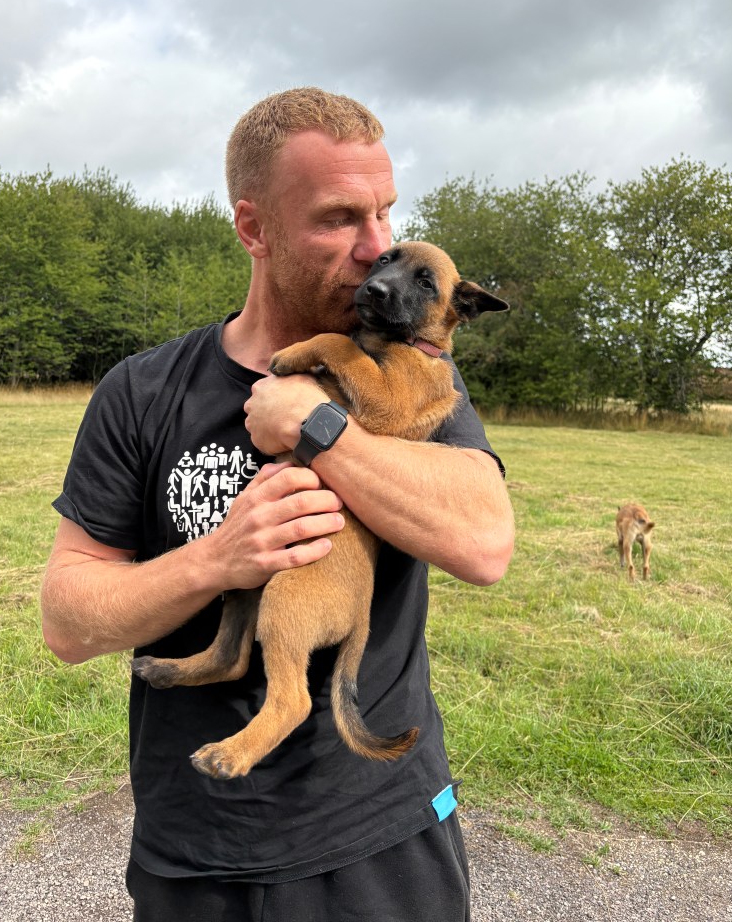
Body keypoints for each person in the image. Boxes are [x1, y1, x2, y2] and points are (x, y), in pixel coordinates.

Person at [41, 87, 515, 921]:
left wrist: (319, 424)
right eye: (338, 218)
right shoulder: (142, 392)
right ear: (253, 228)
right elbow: (67, 624)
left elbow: (484, 543)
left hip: (381, 838)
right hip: (196, 849)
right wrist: (218, 559)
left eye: (385, 212)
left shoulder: (419, 370)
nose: (376, 247)